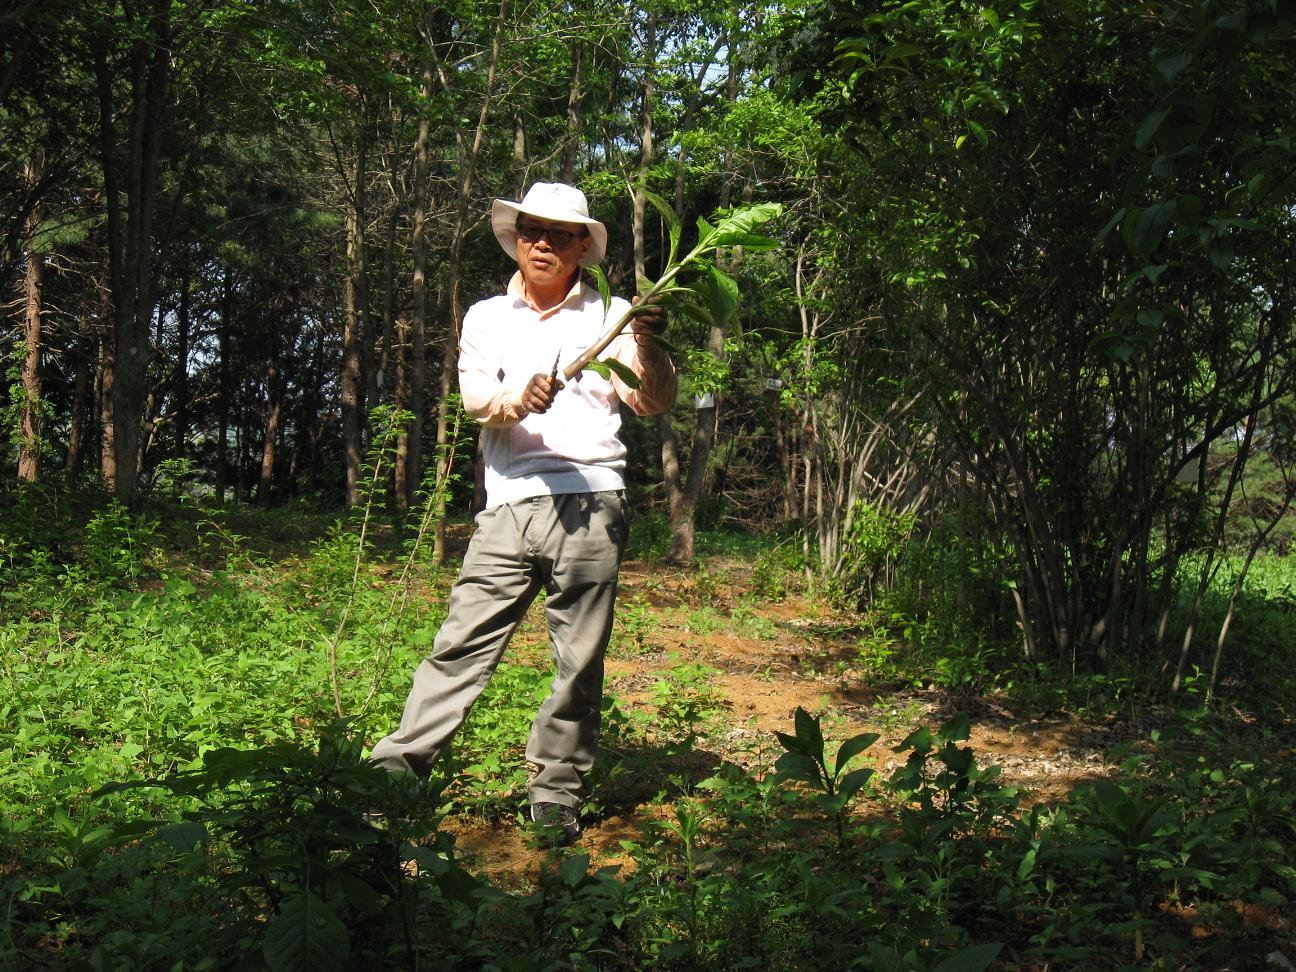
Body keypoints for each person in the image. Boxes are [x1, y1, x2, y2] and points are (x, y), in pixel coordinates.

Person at [370, 182, 677, 845]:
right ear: (518, 238)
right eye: (532, 231)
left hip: (592, 498)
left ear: (582, 248)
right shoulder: (487, 316)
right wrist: (520, 399)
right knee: (461, 646)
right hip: (508, 504)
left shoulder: (615, 316)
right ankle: (394, 773)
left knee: (580, 659)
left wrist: (648, 344)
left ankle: (555, 792)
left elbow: (651, 402)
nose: (541, 243)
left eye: (558, 235)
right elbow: (477, 397)